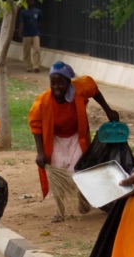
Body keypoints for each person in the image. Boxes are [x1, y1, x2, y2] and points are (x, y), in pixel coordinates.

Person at [28, 61, 120, 220]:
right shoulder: (43, 101)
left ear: (68, 82)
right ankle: (60, 210)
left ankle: (82, 195)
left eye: (61, 83)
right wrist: (40, 153)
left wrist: (108, 110)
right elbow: (36, 127)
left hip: (76, 137)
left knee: (79, 169)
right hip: (56, 139)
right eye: (53, 83)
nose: (56, 87)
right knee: (57, 171)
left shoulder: (80, 89)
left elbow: (94, 89)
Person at [17, 0, 43, 73]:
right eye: (30, 1)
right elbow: (21, 22)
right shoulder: (23, 12)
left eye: (32, 1)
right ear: (27, 3)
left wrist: (38, 28)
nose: (31, 2)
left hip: (36, 33)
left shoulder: (37, 11)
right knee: (26, 51)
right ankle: (28, 66)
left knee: (37, 49)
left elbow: (40, 20)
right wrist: (20, 32)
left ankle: (36, 66)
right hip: (26, 33)